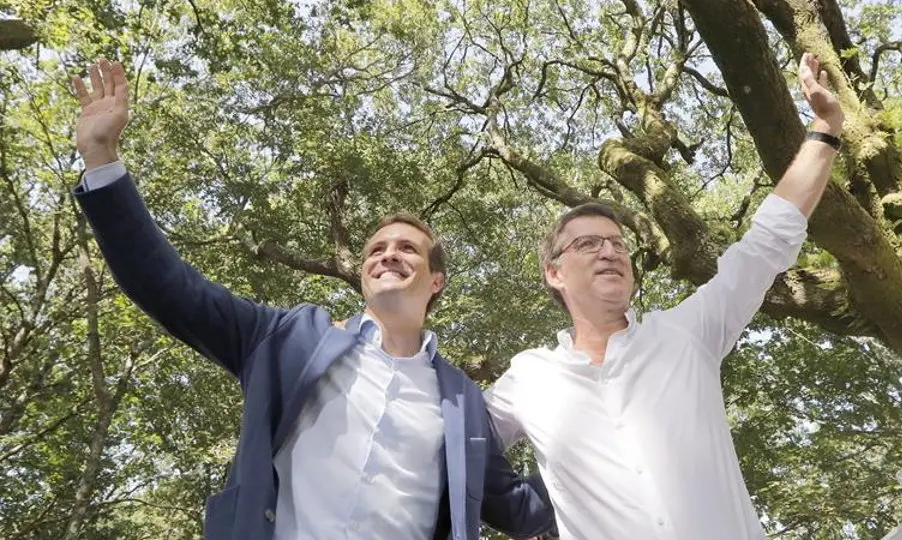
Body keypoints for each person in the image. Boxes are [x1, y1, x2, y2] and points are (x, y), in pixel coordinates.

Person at [70, 59, 553, 540]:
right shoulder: (287, 340)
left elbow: (517, 509)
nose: (388, 255)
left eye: (408, 249)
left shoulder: (462, 400)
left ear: (436, 281)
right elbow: (167, 286)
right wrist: (101, 158)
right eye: (376, 249)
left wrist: (613, 458)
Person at [484, 52, 844, 539]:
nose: (610, 252)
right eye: (588, 244)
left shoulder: (686, 332)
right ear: (554, 273)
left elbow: (766, 244)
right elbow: (453, 446)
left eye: (618, 243)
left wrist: (825, 126)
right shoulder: (527, 377)